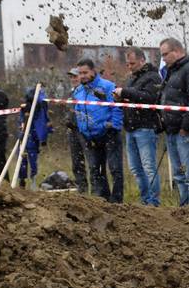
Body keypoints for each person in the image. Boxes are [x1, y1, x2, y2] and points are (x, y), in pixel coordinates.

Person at [159, 37, 189, 205]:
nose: (163, 58)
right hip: (172, 130)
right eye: (162, 55)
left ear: (177, 51)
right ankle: (185, 206)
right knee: (179, 174)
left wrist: (186, 126)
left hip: (186, 131)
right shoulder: (171, 72)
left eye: (166, 54)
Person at [114, 47, 163, 207]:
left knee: (148, 167)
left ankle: (153, 202)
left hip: (145, 127)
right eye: (128, 64)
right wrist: (120, 100)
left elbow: (149, 98)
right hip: (130, 127)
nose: (130, 67)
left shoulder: (153, 77)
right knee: (135, 168)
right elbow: (132, 100)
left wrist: (125, 92)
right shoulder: (132, 78)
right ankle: (145, 199)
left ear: (142, 60)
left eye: (132, 63)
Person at [73, 58, 124, 203]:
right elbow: (78, 110)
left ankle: (117, 201)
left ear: (93, 71)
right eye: (80, 73)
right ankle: (104, 200)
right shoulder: (78, 91)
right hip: (90, 136)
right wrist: (81, 127)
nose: (82, 76)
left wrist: (114, 125)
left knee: (115, 169)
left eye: (85, 72)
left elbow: (117, 106)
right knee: (96, 170)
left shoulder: (107, 86)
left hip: (109, 133)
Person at [17, 86, 52, 189]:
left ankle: (33, 179)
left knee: (33, 159)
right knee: (22, 159)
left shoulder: (41, 105)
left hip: (34, 136)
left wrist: (44, 137)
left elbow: (44, 119)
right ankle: (21, 180)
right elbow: (21, 121)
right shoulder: (24, 107)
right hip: (24, 135)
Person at [65, 67, 90, 193]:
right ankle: (82, 188)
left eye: (75, 76)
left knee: (91, 160)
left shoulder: (86, 91)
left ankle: (96, 189)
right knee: (76, 162)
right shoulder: (71, 92)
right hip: (72, 130)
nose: (73, 79)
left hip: (84, 130)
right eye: (71, 77)